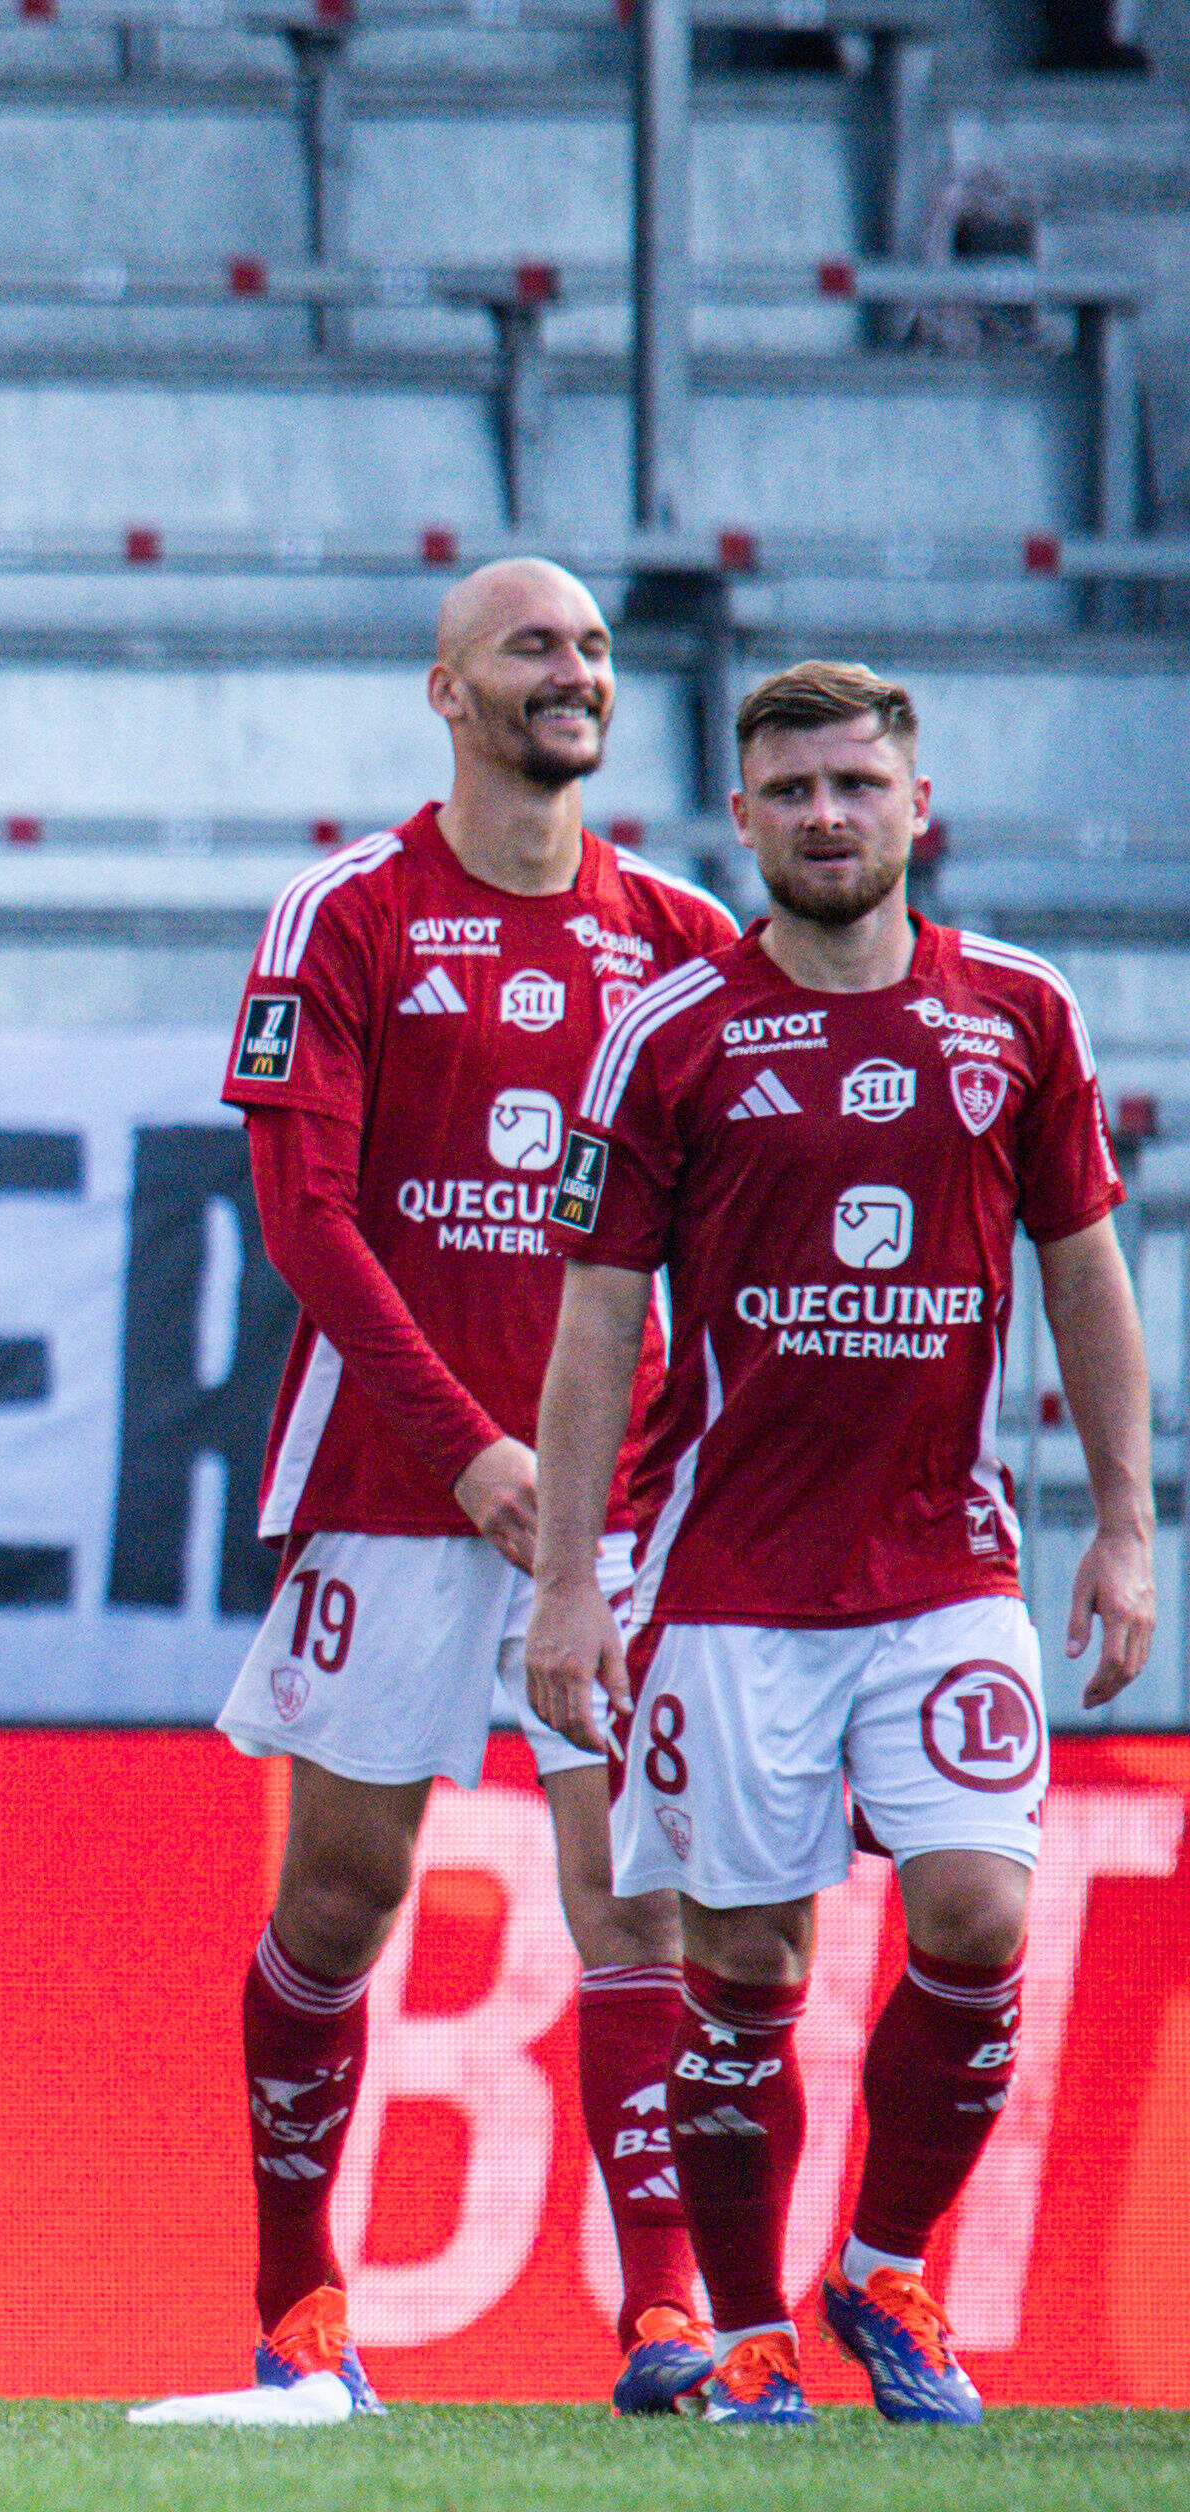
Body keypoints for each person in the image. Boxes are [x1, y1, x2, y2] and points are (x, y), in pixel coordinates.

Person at [527, 661, 1152, 2428]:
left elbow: (1083, 1273)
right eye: (791, 788)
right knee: (747, 1970)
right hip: (728, 1591)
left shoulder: (1019, 1016)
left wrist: (1119, 1525)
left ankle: (884, 2266)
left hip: (949, 1568)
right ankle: (743, 2334)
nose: (826, 814)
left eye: (857, 784)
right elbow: (595, 1322)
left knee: (974, 1915)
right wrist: (575, 1576)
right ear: (741, 818)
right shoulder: (673, 1032)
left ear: (917, 805)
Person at [212, 559, 744, 2413]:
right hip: (392, 1484)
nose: (575, 674)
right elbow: (310, 1222)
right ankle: (298, 2293)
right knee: (348, 1899)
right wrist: (475, 1450)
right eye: (535, 647)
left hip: (629, 1504)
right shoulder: (347, 912)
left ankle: (666, 2313)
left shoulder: (684, 938)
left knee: (637, 1897)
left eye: (595, 648)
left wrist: (624, 1476)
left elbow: (735, 1238)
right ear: (446, 687)